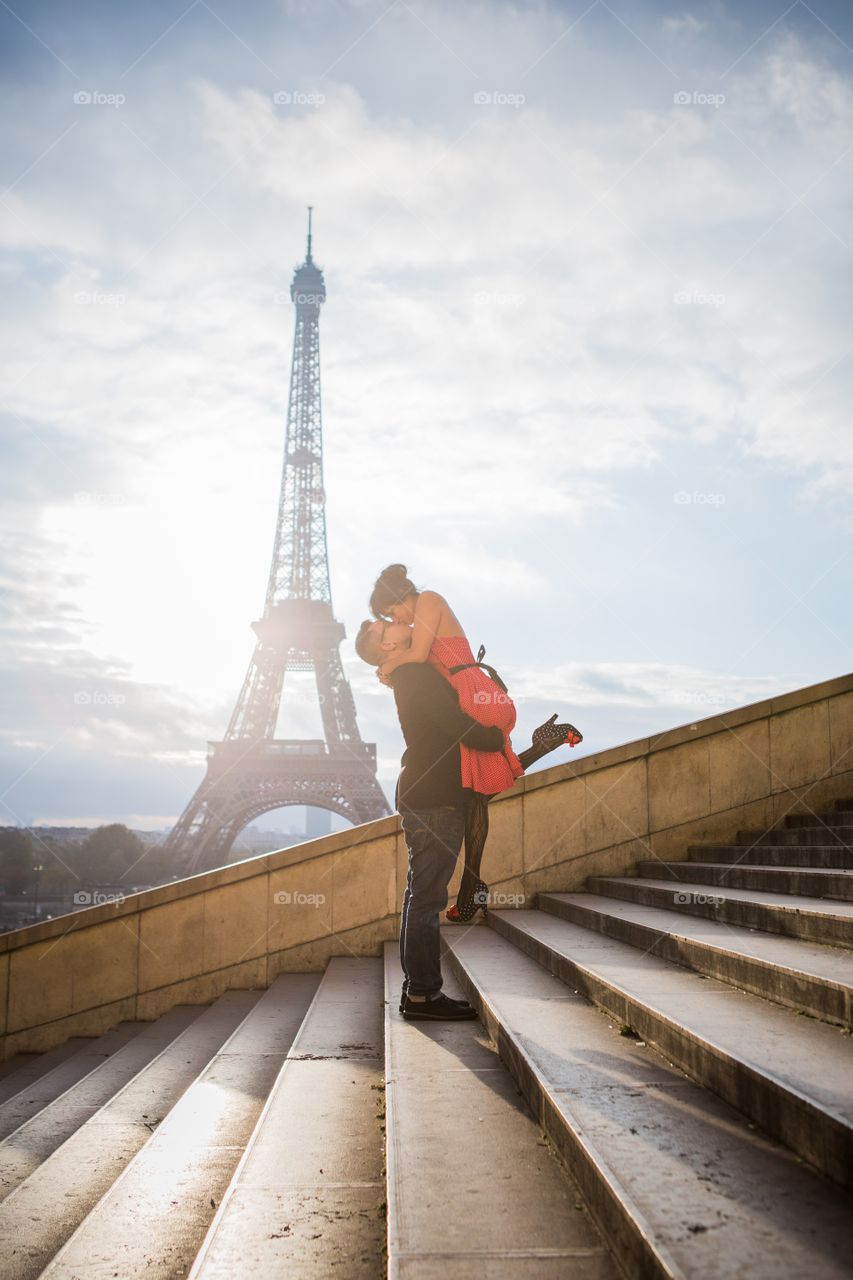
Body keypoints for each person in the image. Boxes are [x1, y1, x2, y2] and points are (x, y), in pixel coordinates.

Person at [356, 615, 581, 1021]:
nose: (392, 621)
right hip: (434, 799)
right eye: (381, 625)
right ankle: (423, 994)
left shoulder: (410, 671)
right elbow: (456, 724)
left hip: (431, 793)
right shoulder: (412, 675)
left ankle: (417, 990)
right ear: (385, 646)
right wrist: (496, 737)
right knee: (425, 899)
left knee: (420, 897)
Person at [368, 564, 581, 921]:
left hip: (474, 695)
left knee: (473, 794)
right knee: (472, 794)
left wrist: (388, 665)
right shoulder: (418, 614)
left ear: (400, 597)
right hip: (466, 694)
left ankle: (471, 890)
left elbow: (419, 656)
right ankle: (472, 887)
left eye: (392, 612)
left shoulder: (429, 601)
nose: (396, 619)